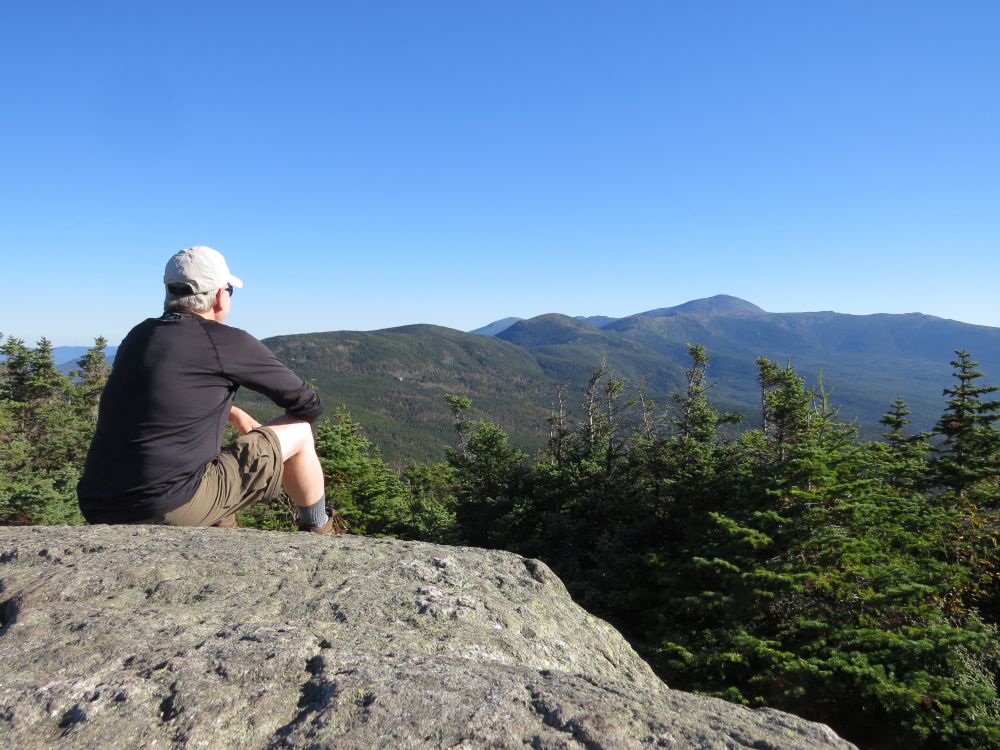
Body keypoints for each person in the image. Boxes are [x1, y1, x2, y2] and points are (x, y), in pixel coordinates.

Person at [77, 245, 345, 534]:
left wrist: (233, 412)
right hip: (165, 506)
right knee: (300, 431)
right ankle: (319, 531)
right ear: (220, 296)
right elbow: (308, 405)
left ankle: (223, 529)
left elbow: (162, 393)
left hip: (98, 502)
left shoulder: (139, 334)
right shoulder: (225, 341)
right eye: (230, 290)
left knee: (204, 467)